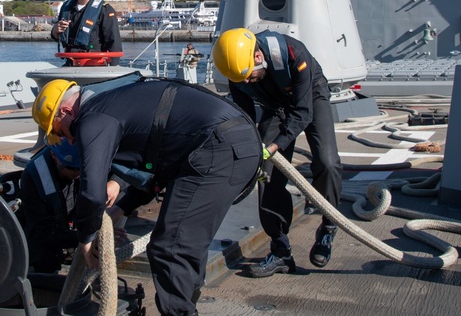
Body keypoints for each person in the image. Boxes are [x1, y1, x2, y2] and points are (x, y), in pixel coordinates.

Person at [32, 78, 262, 316]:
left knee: (170, 248)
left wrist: (86, 238)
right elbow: (157, 166)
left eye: (60, 132)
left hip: (217, 148)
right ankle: (185, 308)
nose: (69, 140)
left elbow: (92, 191)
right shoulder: (118, 101)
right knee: (185, 245)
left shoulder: (93, 118)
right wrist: (120, 207)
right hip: (232, 143)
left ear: (66, 111)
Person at [212, 28, 343, 276]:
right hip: (274, 103)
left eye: (250, 77)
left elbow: (303, 113)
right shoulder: (238, 71)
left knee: (327, 163)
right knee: (267, 173)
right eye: (243, 80)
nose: (247, 83)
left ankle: (328, 226)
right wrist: (249, 144)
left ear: (259, 57)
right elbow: (246, 113)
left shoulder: (294, 53)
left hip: (309, 95)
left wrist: (273, 146)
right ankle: (281, 250)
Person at [18, 139, 123, 273]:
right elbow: (41, 230)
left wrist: (116, 182)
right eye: (69, 168)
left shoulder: (92, 155)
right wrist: (84, 237)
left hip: (76, 221)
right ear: (53, 155)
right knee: (44, 258)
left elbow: (127, 165)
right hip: (47, 231)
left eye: (79, 168)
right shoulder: (34, 176)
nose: (75, 173)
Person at [51, 0, 123, 65]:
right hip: (70, 65)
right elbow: (57, 36)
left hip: (95, 67)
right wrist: (55, 30)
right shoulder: (66, 8)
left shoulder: (105, 10)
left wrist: (112, 71)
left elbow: (114, 45)